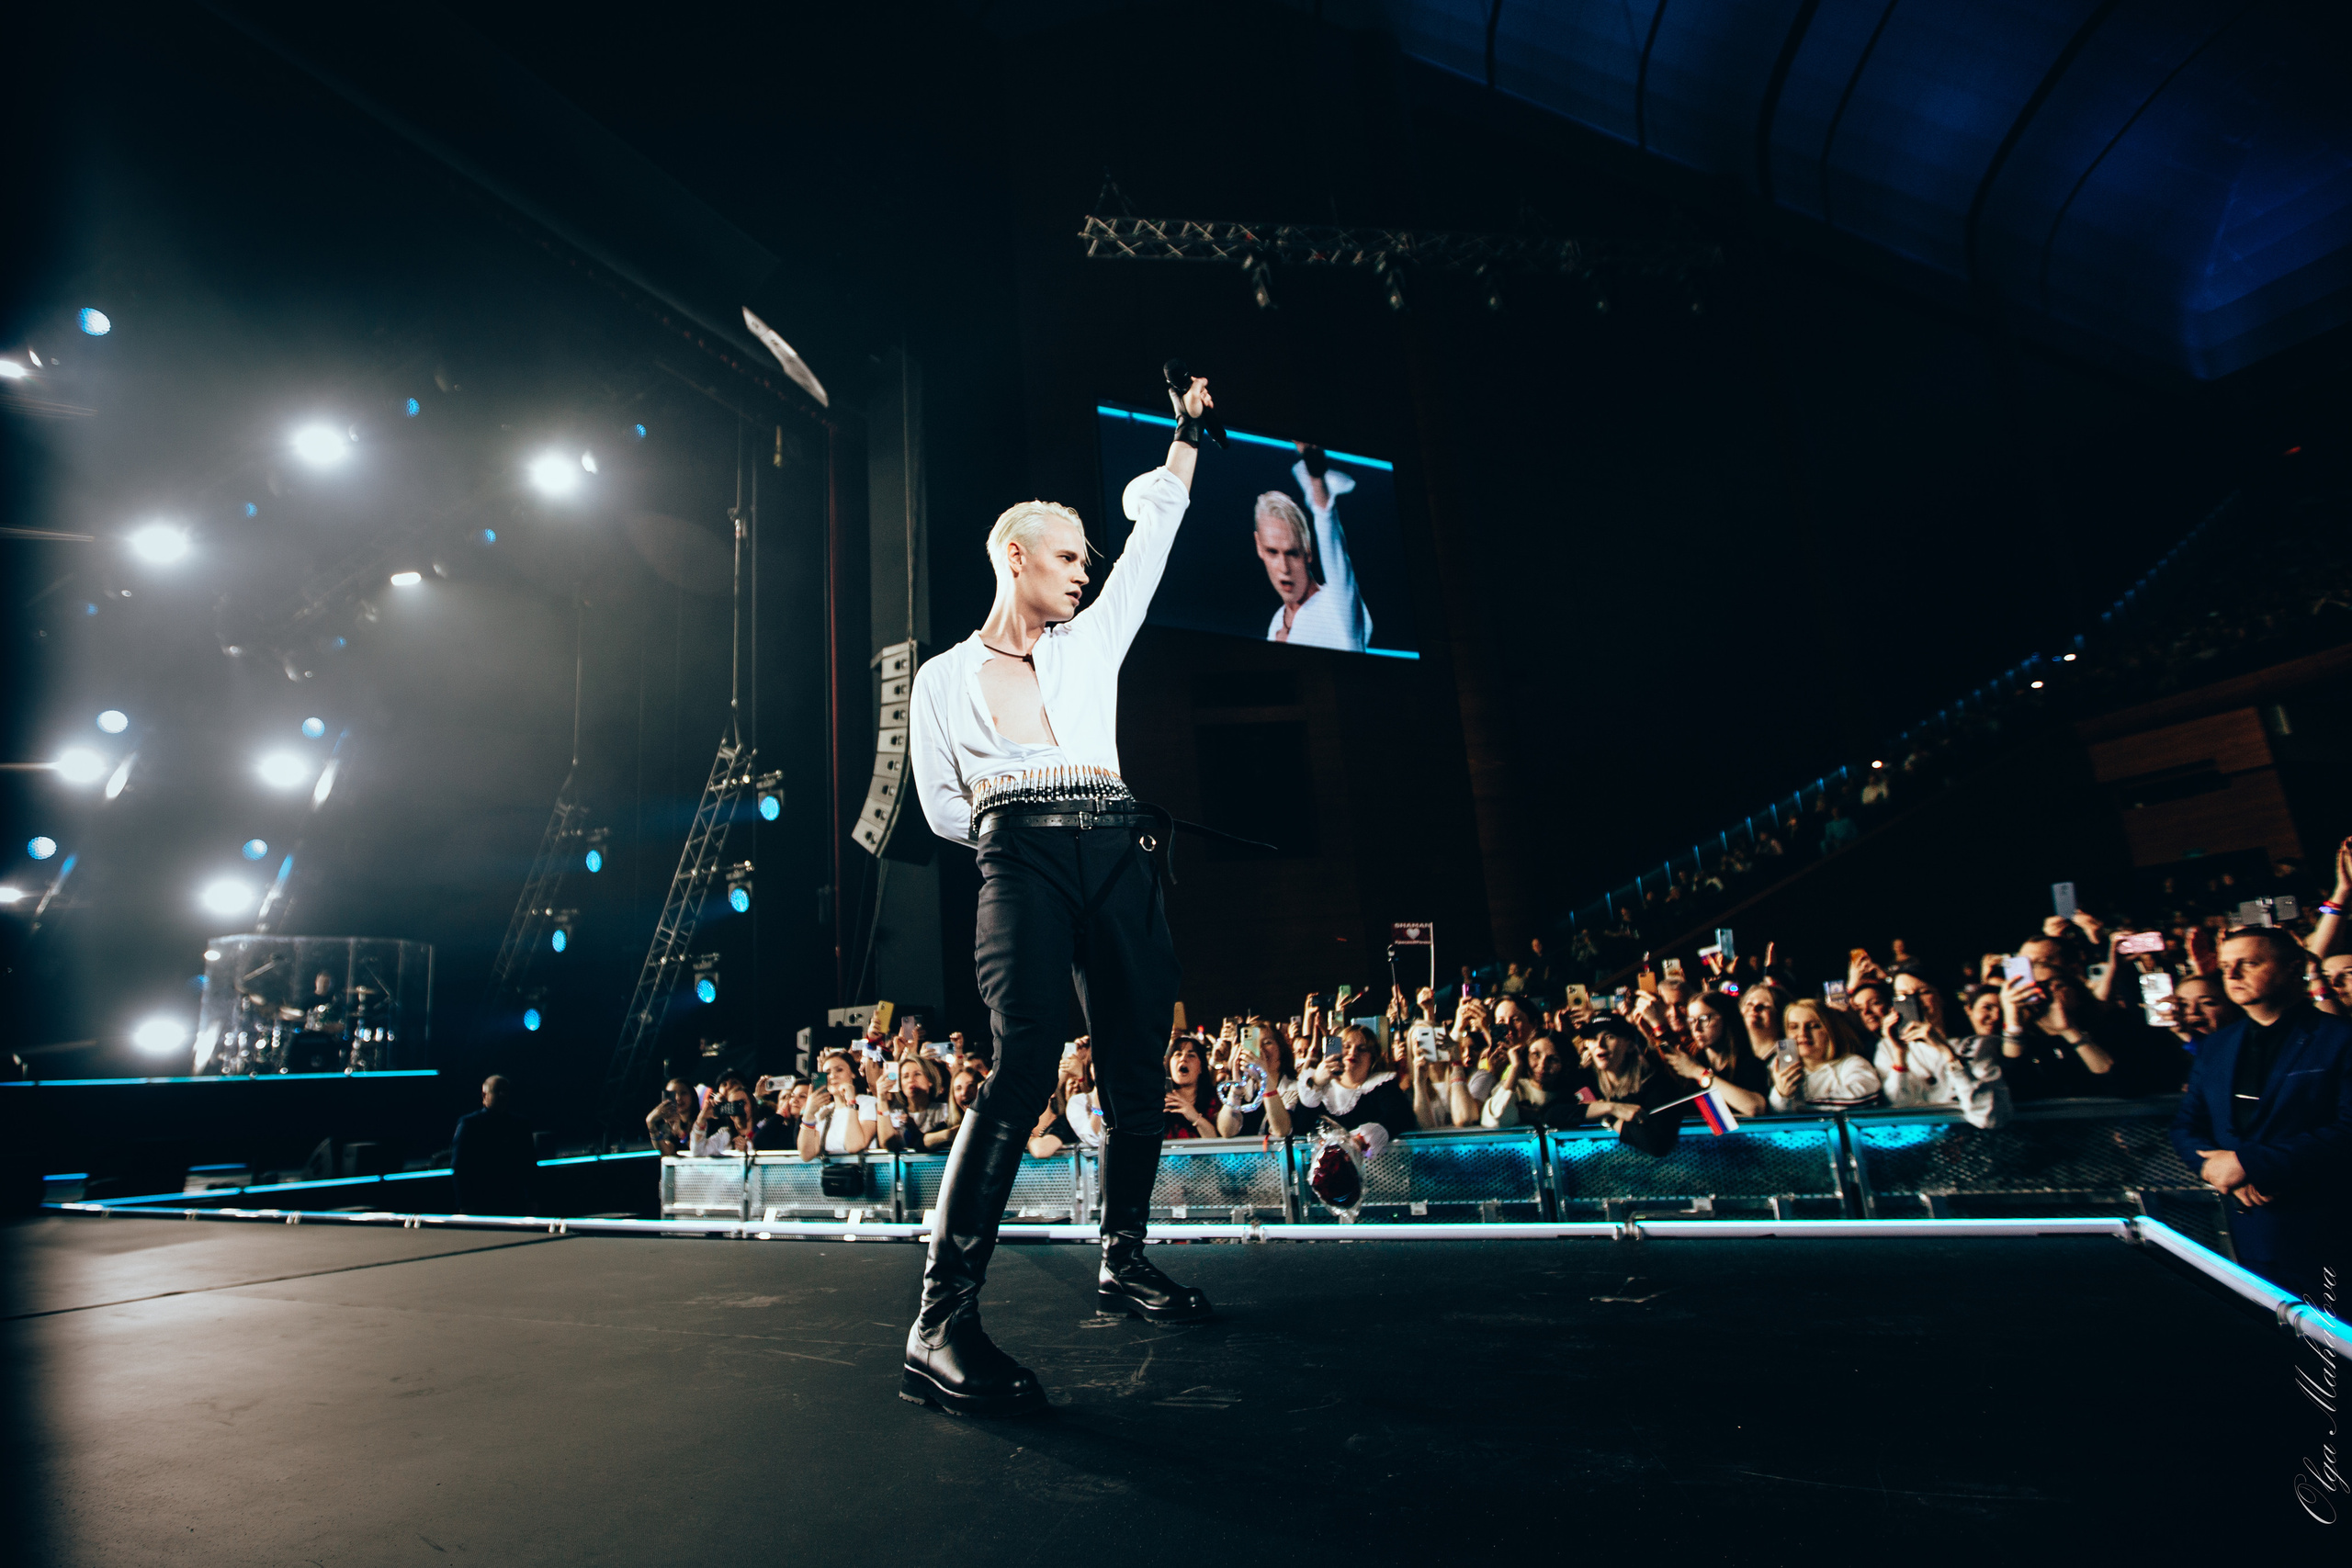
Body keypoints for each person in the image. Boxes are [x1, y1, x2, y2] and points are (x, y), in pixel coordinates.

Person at [899, 368, 1219, 1417]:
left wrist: (1183, 437)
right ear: (1016, 556)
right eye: (1071, 556)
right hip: (1019, 861)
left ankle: (1124, 1261)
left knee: (1136, 1061)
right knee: (1024, 1058)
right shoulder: (942, 678)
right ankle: (940, 1326)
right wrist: (1020, 818)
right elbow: (946, 807)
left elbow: (1156, 538)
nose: (1087, 574)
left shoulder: (1094, 642)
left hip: (1120, 854)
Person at [2169, 926, 2352, 1299]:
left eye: (2249, 964)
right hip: (2251, 1230)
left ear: (2292, 967)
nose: (2233, 975)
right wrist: (2212, 1167)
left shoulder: (2340, 1037)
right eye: (2225, 966)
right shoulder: (2218, 1045)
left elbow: (2348, 1128)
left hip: (2331, 1224)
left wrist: (2251, 1164)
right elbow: (2187, 1124)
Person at [1254, 444, 1371, 652]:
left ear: (1307, 552)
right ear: (1259, 547)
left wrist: (1316, 479)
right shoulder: (1276, 623)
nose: (1284, 567)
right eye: (1273, 552)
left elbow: (1331, 539)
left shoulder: (1336, 605)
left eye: (1292, 553)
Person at [1296, 1025, 1416, 1206]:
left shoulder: (1382, 1085)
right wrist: (1317, 1083)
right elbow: (1299, 1127)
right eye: (1346, 1046)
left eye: (1363, 1049)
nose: (1353, 1052)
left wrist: (1362, 1140)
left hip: (1379, 1190)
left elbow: (1400, 1116)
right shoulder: (1319, 1089)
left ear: (1372, 1058)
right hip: (1324, 1192)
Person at [1876, 974, 2009, 1128]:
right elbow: (1897, 1109)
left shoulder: (1976, 1045)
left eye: (1923, 992)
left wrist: (1947, 1052)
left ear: (1942, 997)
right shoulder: (1887, 1047)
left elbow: (1988, 1118)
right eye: (1903, 996)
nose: (1915, 1001)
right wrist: (1899, 1054)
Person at [1572, 1017, 1690, 1154]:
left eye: (1609, 1037)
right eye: (1593, 1038)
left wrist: (1609, 1117)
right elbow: (1552, 1114)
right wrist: (1610, 1108)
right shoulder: (1585, 1080)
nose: (1600, 1044)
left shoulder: (1658, 1085)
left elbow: (1657, 1145)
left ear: (1629, 1044)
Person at [1660, 991, 1770, 1120]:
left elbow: (1755, 1107)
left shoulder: (1749, 1064)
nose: (1696, 1028)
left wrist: (1698, 1072)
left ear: (1726, 1018)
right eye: (1691, 1020)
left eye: (1703, 1019)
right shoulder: (1692, 1061)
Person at [1767, 998, 1883, 1112]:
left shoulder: (1852, 1063)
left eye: (1813, 1026)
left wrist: (1800, 1105)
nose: (1802, 1033)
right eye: (1794, 1027)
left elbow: (1862, 1097)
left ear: (1830, 1030)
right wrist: (1781, 1094)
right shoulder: (1778, 1067)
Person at [451, 1075, 536, 1215]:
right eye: (498, 1091)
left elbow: (529, 1164)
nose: (503, 1095)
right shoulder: (470, 1124)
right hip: (487, 1200)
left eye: (506, 1091)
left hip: (509, 1199)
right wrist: (464, 1202)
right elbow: (460, 1166)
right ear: (484, 1094)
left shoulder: (519, 1125)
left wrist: (532, 1198)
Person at [796, 1051, 880, 1158]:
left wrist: (851, 1102)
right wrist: (808, 1114)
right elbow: (806, 1155)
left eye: (839, 1070)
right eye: (827, 1072)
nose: (832, 1076)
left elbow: (855, 1146)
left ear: (853, 1073)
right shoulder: (824, 1111)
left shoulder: (868, 1103)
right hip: (832, 1173)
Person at [646, 1077, 697, 1156]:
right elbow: (667, 1152)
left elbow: (698, 1151)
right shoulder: (670, 1124)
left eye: (683, 1093)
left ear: (692, 1095)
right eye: (673, 1095)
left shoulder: (704, 1120)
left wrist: (681, 1133)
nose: (678, 1098)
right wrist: (651, 1124)